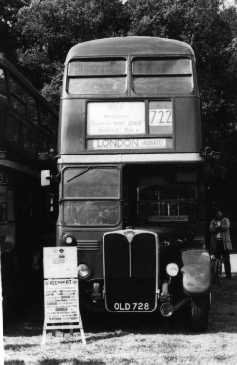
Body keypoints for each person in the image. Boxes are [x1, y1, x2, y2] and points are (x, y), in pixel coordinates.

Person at [209, 210, 232, 279]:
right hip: (216, 243)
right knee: (217, 259)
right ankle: (218, 275)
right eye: (217, 213)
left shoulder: (225, 220)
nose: (219, 214)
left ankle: (228, 275)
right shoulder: (213, 221)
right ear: (216, 214)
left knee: (226, 259)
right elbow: (211, 229)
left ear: (222, 214)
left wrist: (217, 228)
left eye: (220, 213)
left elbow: (226, 227)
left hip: (224, 242)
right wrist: (219, 228)